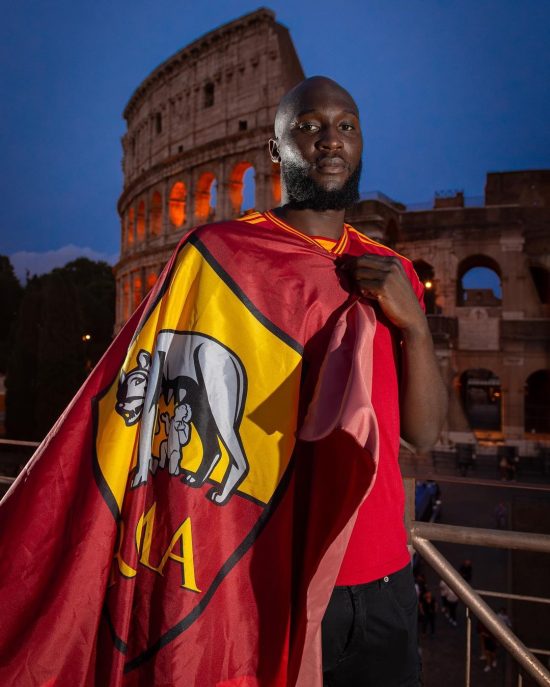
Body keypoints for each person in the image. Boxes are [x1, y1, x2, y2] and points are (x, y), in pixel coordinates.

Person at [268, 76, 447, 685]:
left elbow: (423, 434)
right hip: (273, 569)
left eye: (346, 126)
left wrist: (415, 325)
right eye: (309, 125)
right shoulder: (227, 258)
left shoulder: (393, 269)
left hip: (383, 575)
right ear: (275, 148)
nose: (331, 140)